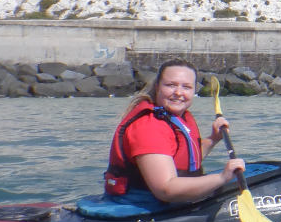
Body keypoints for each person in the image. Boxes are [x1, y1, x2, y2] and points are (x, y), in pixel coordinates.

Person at [103, 59, 245, 207]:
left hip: (167, 202)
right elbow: (165, 189)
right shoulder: (149, 127)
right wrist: (222, 178)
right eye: (171, 85)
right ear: (157, 87)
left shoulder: (176, 117)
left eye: (186, 87)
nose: (178, 92)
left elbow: (183, 161)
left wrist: (213, 139)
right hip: (141, 207)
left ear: (194, 91)